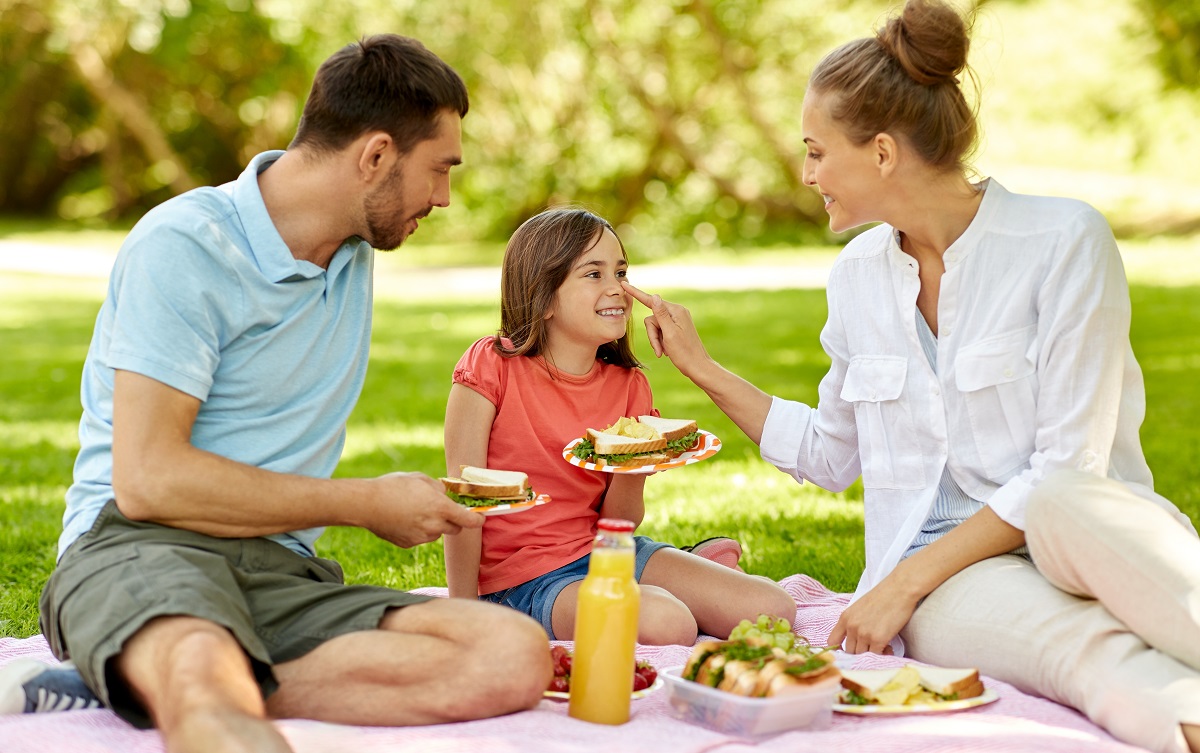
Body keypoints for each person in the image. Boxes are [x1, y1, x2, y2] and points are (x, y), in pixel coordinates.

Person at [621, 1, 1200, 752]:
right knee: (1080, 651)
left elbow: (1069, 470)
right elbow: (830, 454)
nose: (806, 173)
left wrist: (900, 580)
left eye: (817, 152)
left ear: (885, 154)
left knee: (1064, 500)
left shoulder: (1063, 240)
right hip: (948, 584)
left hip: (1078, 525)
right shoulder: (857, 276)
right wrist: (700, 367)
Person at [0, 34, 551, 753]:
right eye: (439, 169)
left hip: (278, 566)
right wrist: (365, 502)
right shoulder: (185, 246)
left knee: (512, 654)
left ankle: (130, 677)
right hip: (141, 544)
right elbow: (148, 481)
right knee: (209, 689)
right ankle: (177, 674)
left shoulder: (351, 246)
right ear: (375, 156)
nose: (444, 198)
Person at [442, 207, 796, 645]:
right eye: (594, 274)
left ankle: (679, 576)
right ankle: (673, 588)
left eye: (622, 271)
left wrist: (635, 467)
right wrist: (462, 612)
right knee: (668, 623)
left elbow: (620, 523)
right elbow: (463, 500)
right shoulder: (492, 364)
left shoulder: (629, 385)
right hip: (525, 580)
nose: (619, 289)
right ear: (544, 295)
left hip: (606, 551)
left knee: (773, 609)